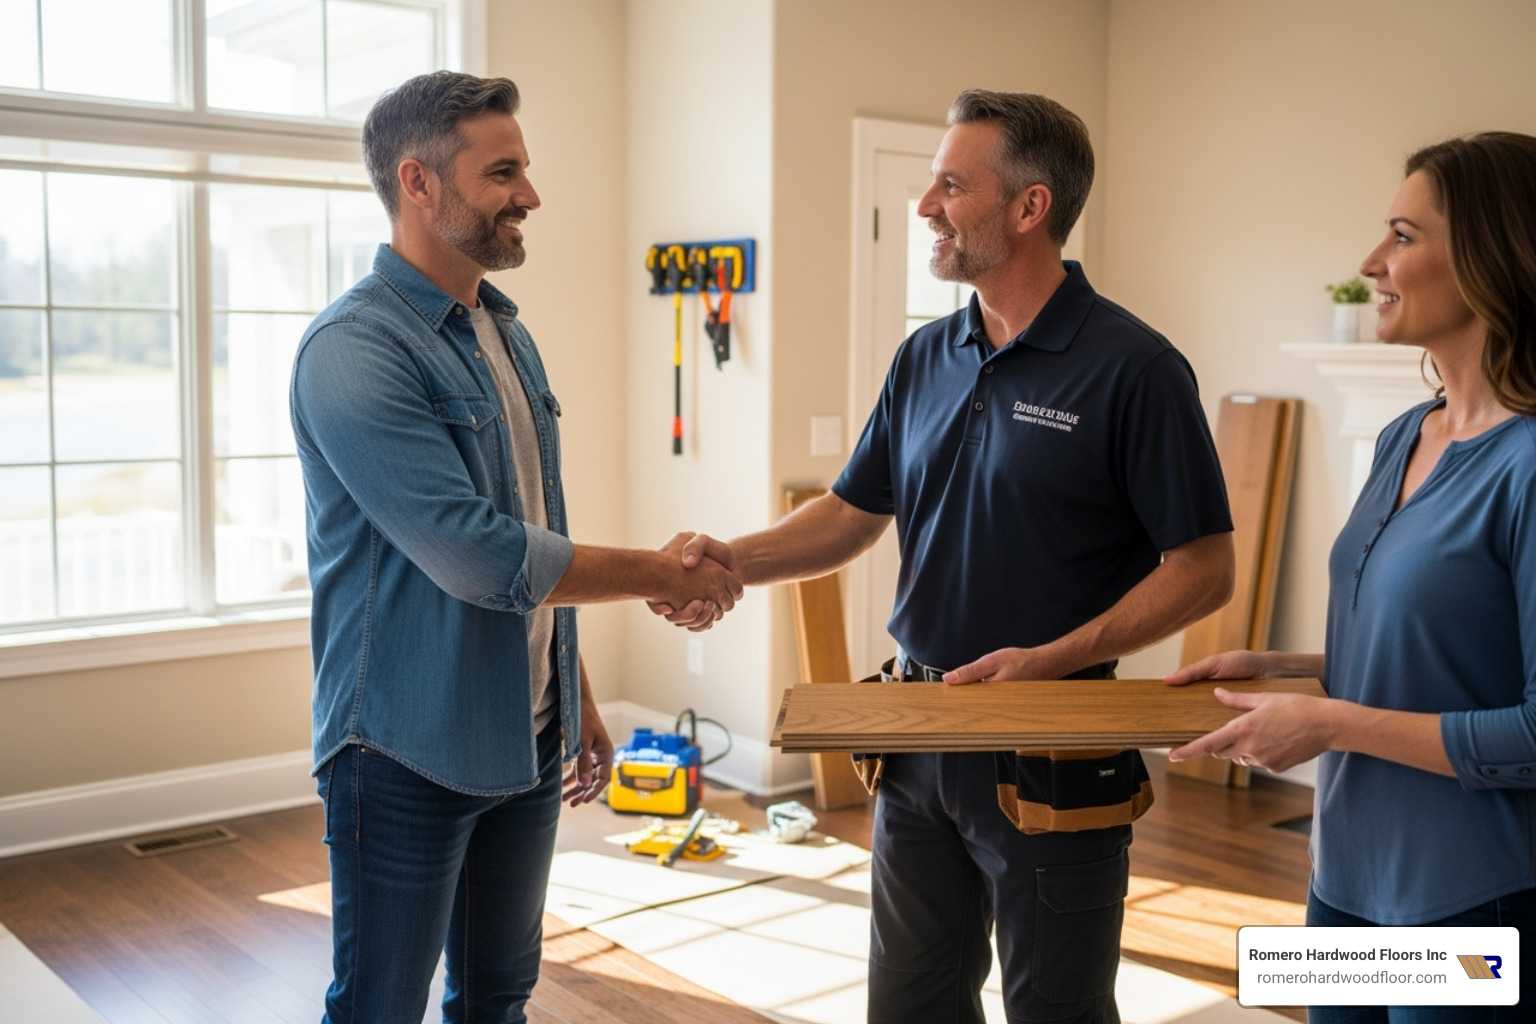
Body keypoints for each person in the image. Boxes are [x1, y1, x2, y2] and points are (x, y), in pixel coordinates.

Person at [657, 89, 1235, 1024]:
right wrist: (732, 558)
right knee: (911, 1003)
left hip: (1054, 742)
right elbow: (850, 514)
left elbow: (1205, 569)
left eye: (950, 185)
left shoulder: (1135, 369)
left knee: (1058, 1008)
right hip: (918, 732)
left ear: (1030, 206)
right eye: (928, 184)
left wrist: (1049, 662)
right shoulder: (926, 355)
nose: (927, 205)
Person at [290, 71, 742, 1024]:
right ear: (418, 184)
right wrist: (666, 574)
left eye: (524, 170)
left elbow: (541, 524)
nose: (530, 195)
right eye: (503, 172)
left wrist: (569, 689)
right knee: (378, 1006)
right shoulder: (353, 350)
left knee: (498, 996)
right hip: (403, 747)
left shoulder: (504, 330)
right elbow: (479, 554)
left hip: (525, 732)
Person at [1167, 133, 1536, 1024]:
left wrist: (1330, 721)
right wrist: (1289, 671)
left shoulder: (1527, 466)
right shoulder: (1403, 434)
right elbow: (1431, 645)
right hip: (1343, 880)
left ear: (1492, 256)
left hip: (1469, 905)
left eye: (1403, 237)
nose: (1372, 263)